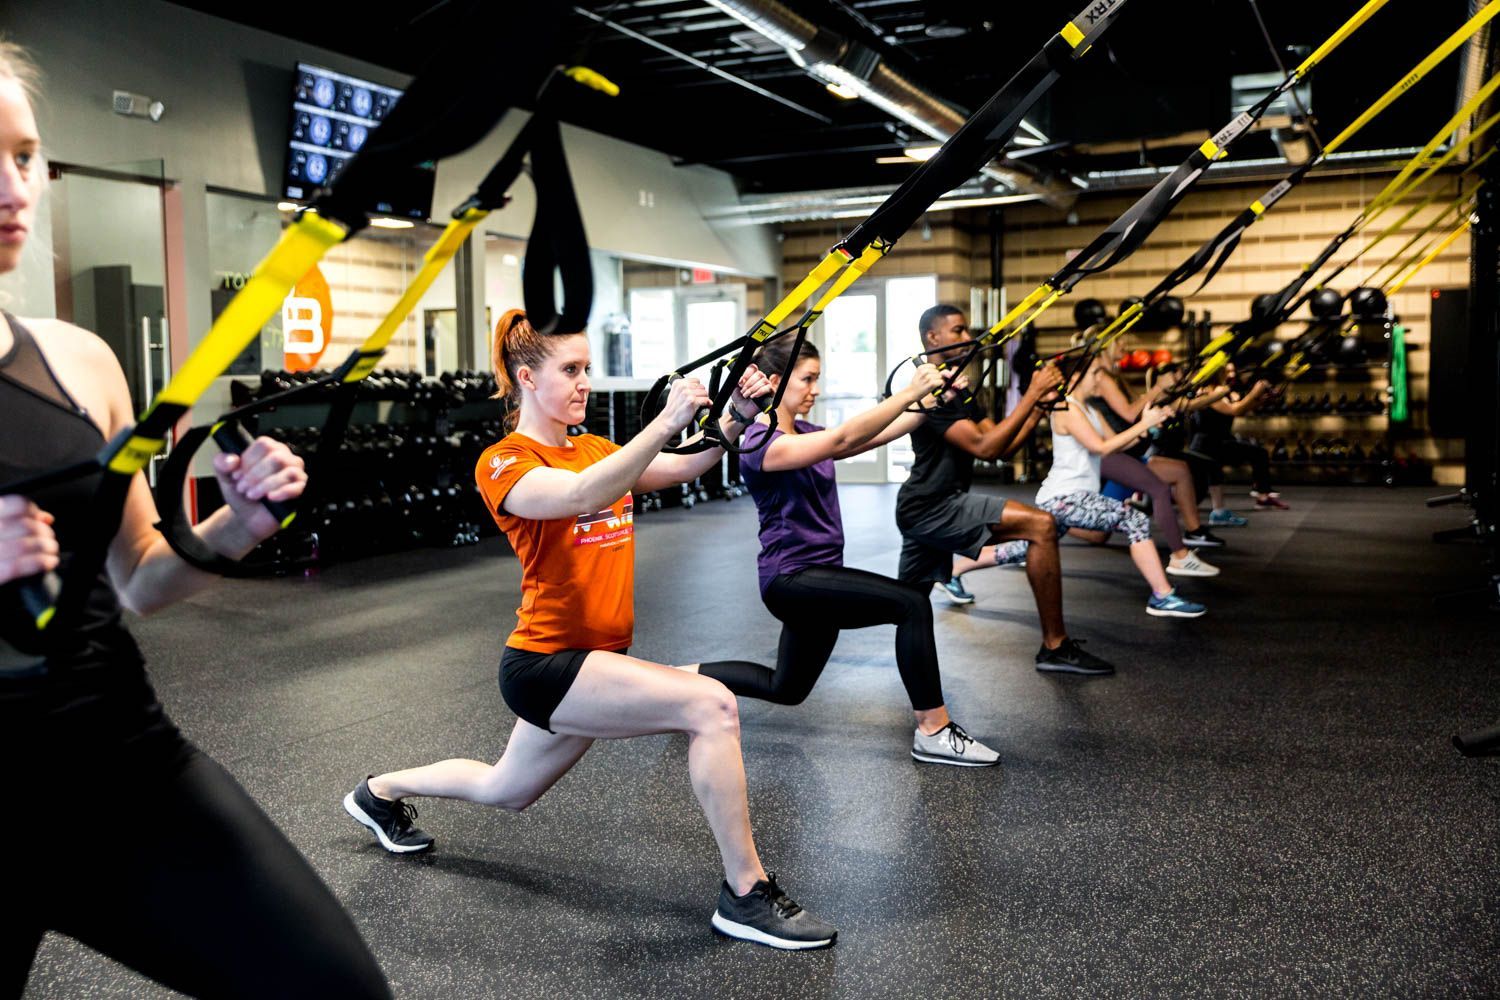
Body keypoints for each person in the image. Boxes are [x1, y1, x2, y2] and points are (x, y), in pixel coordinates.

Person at [0, 43, 391, 998]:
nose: (14, 186)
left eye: (23, 154)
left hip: (117, 768)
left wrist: (235, 526)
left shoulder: (78, 362)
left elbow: (139, 576)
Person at [345, 310, 837, 951]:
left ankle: (379, 791)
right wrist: (663, 422)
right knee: (711, 706)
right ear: (527, 377)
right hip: (547, 665)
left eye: (586, 370)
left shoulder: (597, 449)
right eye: (570, 371)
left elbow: (685, 467)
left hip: (594, 660)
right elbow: (578, 494)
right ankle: (745, 894)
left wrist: (737, 417)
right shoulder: (503, 462)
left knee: (507, 788)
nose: (584, 384)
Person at [699, 337, 1001, 767]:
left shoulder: (806, 433)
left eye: (817, 379)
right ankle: (933, 729)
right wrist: (909, 392)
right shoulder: (761, 444)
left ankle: (677, 681)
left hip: (817, 576)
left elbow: (878, 434)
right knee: (911, 604)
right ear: (772, 382)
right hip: (792, 578)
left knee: (786, 688)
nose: (815, 389)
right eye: (807, 379)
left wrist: (935, 398)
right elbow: (842, 440)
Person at [897, 305, 1116, 676]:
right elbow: (986, 449)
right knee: (1042, 525)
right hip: (931, 505)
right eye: (959, 331)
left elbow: (1001, 448)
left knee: (907, 605)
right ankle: (1055, 646)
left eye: (967, 331)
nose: (968, 338)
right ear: (933, 338)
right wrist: (1031, 395)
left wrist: (1037, 408)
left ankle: (916, 679)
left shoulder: (959, 390)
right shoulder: (931, 392)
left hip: (936, 503)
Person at [989, 356, 1210, 619]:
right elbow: (1101, 448)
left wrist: (1151, 425)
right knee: (1135, 519)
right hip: (1064, 497)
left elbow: (1117, 443)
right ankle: (1162, 596)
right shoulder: (1065, 408)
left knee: (1019, 550)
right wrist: (1144, 424)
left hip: (1072, 497)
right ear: (1074, 380)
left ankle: (953, 572)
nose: (1099, 379)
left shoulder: (1090, 410)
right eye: (1094, 373)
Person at [1190, 362, 1285, 523]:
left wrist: (1261, 399)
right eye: (1227, 371)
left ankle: (1254, 499)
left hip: (1218, 441)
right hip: (1208, 443)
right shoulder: (1210, 392)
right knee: (1198, 489)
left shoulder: (1220, 391)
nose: (1232, 374)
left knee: (1255, 455)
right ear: (1218, 373)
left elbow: (1239, 407)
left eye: (1233, 370)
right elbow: (1235, 410)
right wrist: (1255, 392)